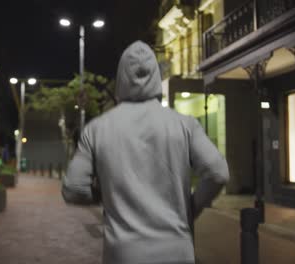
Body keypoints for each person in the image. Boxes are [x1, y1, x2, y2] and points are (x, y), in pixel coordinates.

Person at [62, 41, 229, 264]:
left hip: (124, 254)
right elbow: (218, 173)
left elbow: (73, 188)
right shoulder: (185, 125)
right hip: (176, 251)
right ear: (155, 78)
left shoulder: (97, 129)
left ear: (121, 78)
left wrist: (106, 197)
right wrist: (191, 209)